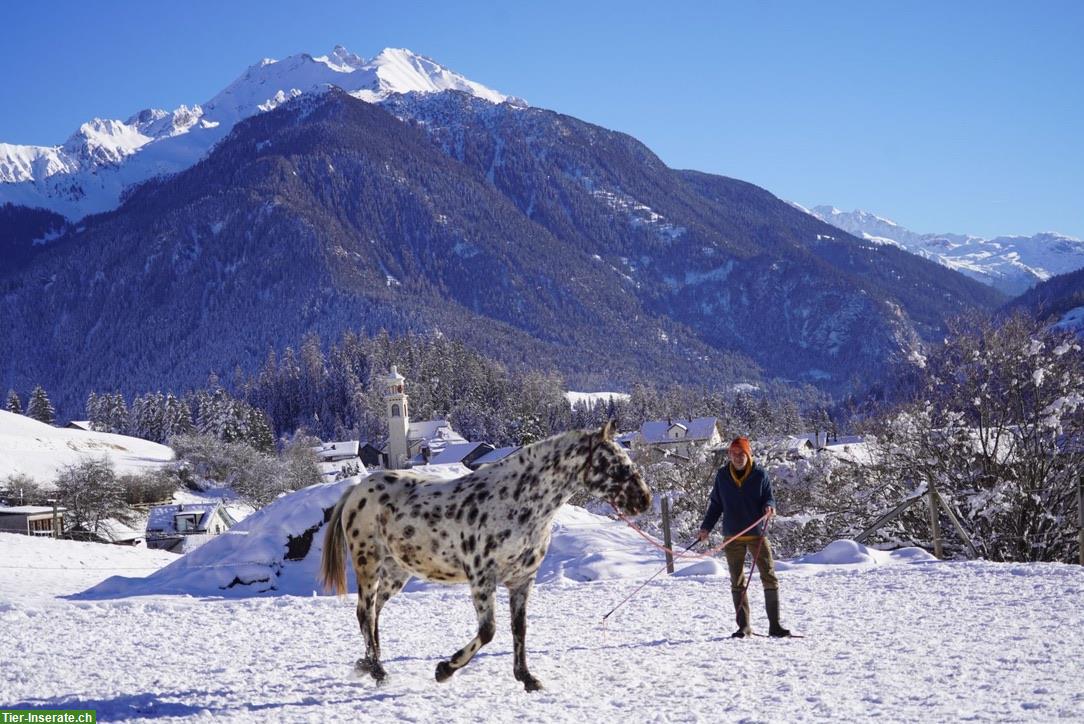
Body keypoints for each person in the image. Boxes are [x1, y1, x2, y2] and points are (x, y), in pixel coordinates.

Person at [697, 436, 792, 638]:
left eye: (742, 454)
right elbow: (716, 505)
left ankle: (774, 625)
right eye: (734, 453)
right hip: (732, 536)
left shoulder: (760, 474)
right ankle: (744, 626)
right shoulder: (722, 476)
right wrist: (706, 528)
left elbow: (769, 497)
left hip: (757, 535)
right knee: (737, 581)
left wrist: (770, 507)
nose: (738, 457)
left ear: (749, 455)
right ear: (729, 455)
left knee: (769, 576)